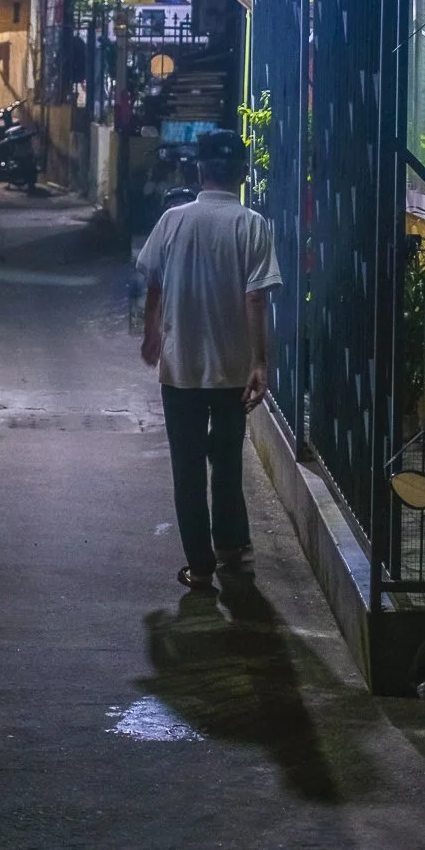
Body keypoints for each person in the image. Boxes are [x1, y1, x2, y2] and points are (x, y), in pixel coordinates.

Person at [136, 130, 281, 587]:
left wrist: (151, 335)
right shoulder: (252, 225)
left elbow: (154, 284)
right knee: (227, 462)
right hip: (232, 370)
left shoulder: (172, 221)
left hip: (180, 368)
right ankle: (234, 554)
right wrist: (259, 362)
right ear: (241, 173)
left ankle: (199, 568)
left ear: (198, 171)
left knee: (188, 468)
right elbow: (255, 298)